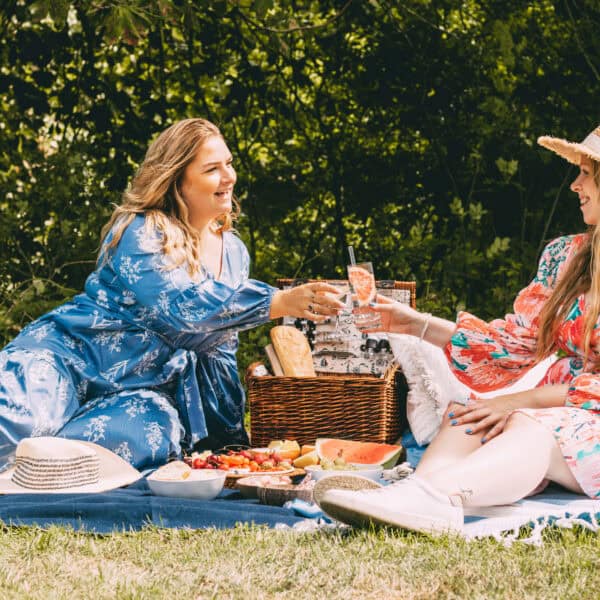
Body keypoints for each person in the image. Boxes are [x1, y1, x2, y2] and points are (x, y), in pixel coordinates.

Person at [0, 118, 344, 471]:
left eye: (230, 163)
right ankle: (30, 454)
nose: (229, 177)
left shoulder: (235, 253)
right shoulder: (141, 230)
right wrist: (277, 301)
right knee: (20, 428)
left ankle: (41, 467)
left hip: (137, 391)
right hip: (69, 360)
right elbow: (183, 306)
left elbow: (219, 353)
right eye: (212, 168)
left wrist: (232, 442)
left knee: (154, 433)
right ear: (177, 180)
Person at [315, 125, 600, 535]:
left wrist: (523, 401)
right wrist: (411, 323)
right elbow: (512, 345)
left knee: (530, 426)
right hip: (565, 408)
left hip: (572, 416)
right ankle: (416, 496)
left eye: (586, 172)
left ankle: (436, 501)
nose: (575, 184)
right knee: (467, 415)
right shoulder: (565, 256)